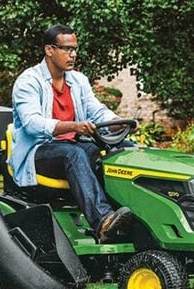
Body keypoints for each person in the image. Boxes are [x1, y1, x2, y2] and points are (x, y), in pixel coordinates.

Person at [9, 24, 135, 243]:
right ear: (49, 50)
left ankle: (132, 216)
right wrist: (73, 126)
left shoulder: (78, 81)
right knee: (73, 153)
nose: (73, 54)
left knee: (124, 150)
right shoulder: (28, 82)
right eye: (67, 49)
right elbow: (32, 123)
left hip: (72, 147)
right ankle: (104, 222)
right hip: (38, 152)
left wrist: (118, 123)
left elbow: (97, 112)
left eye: (75, 49)